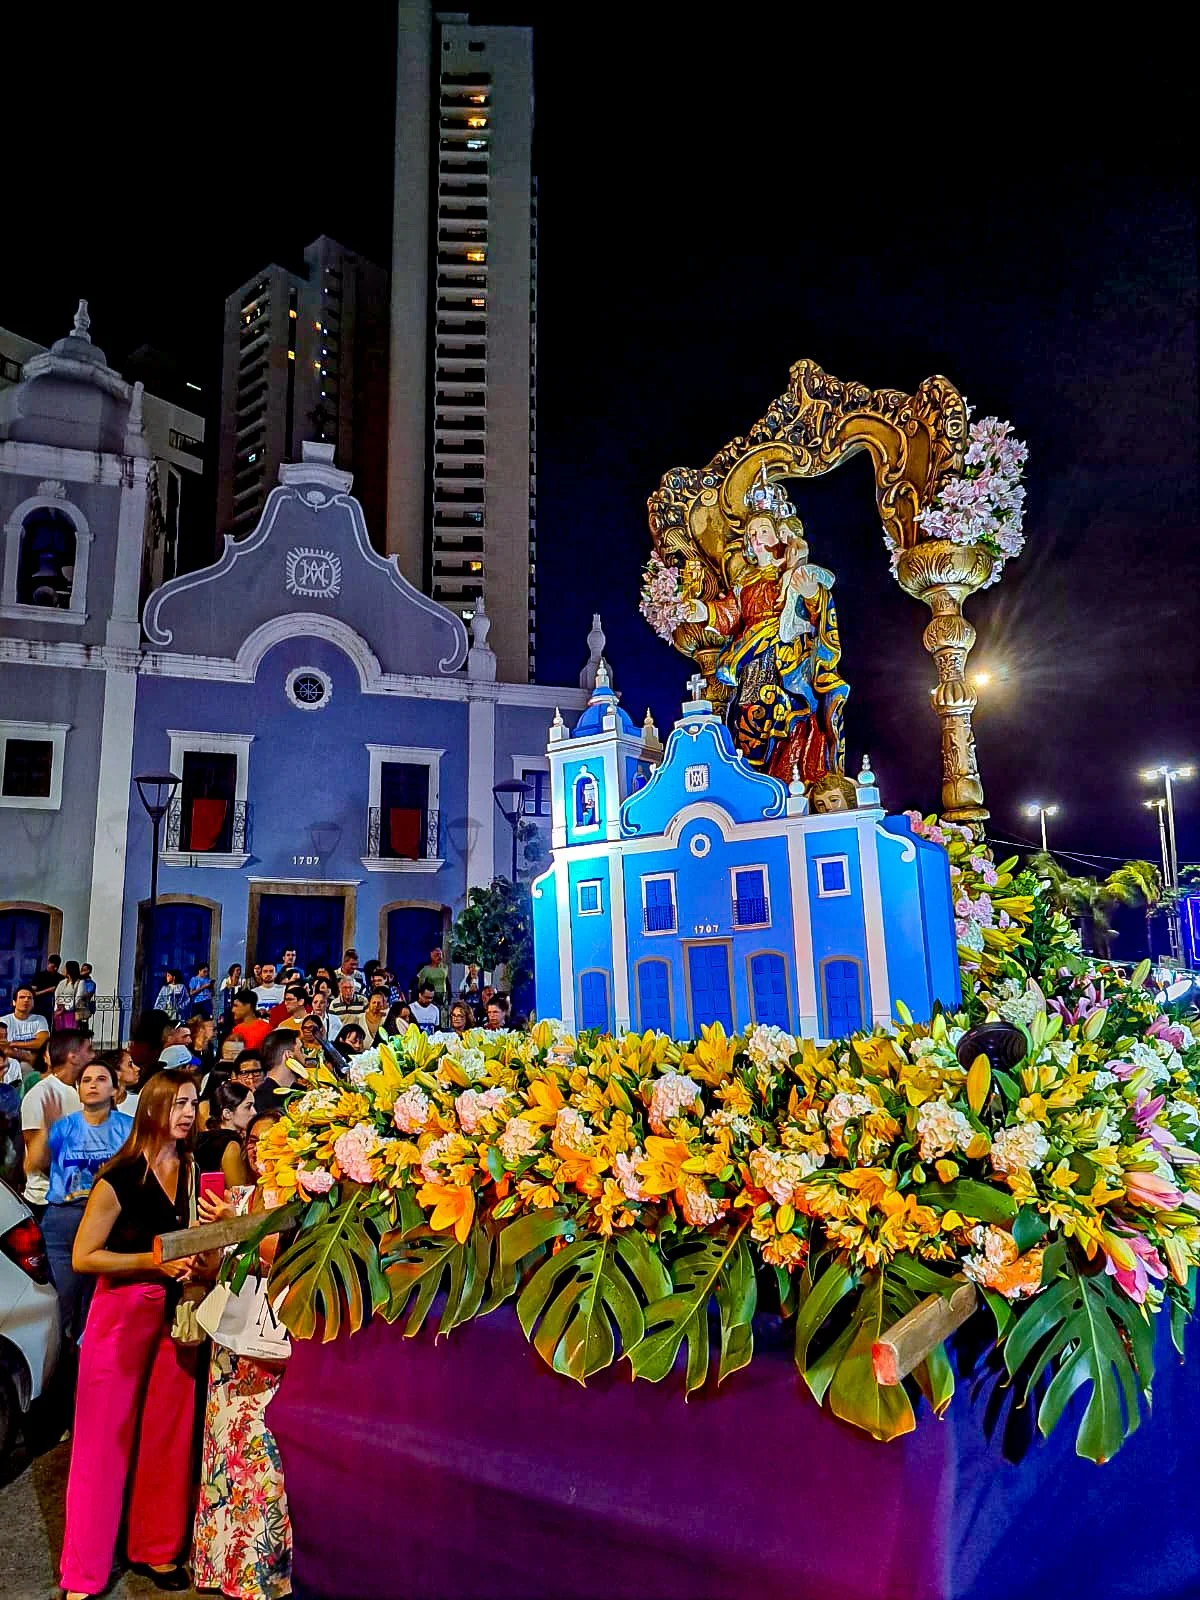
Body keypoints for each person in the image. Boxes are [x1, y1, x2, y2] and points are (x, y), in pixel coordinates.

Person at [59, 1070, 202, 1599]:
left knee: (167, 1433)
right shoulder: (118, 1176)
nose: (188, 1113)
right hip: (120, 1315)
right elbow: (82, 1256)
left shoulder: (189, 1166)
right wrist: (154, 1261)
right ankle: (84, 1574)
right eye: (179, 1104)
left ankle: (156, 1549)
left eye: (193, 1103)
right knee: (103, 1442)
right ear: (153, 1109)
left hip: (173, 1314)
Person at [192, 1108, 292, 1599]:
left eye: (271, 1141)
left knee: (262, 1464)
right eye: (253, 1139)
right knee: (223, 1463)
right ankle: (219, 1568)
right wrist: (203, 1255)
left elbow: (291, 1261)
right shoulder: (235, 1198)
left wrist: (241, 1228)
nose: (258, 1148)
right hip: (229, 1346)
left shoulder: (298, 1205)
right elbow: (212, 1267)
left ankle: (260, 1575)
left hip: (269, 1351)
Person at [27, 1055, 133, 1347]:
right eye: (86, 1080)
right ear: (77, 1089)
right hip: (63, 1219)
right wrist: (46, 1130)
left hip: (111, 1221)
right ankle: (57, 1371)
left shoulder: (128, 1128)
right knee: (61, 1300)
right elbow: (32, 1165)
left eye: (101, 1079)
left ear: (115, 1089)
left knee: (98, 1303)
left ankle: (88, 1363)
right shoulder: (64, 1126)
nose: (92, 1085)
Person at [22, 1029, 94, 1217]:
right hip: (48, 1202)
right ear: (73, 1057)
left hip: (81, 1197)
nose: (94, 1056)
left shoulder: (83, 1090)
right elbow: (39, 1159)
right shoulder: (40, 1095)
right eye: (89, 1050)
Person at [195, 1080, 256, 1188]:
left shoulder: (203, 1138)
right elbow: (239, 1195)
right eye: (248, 1107)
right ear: (227, 1113)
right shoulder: (231, 1144)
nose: (254, 1112)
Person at [1, 982, 51, 1077]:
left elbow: (41, 1042)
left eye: (30, 998)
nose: (26, 1000)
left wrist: (13, 1043)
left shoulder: (40, 1019)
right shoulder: (3, 1021)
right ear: (14, 1002)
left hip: (34, 1063)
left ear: (33, 1003)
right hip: (12, 1061)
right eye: (22, 997)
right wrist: (29, 1057)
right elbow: (4, 1048)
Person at [253, 1030, 302, 1116]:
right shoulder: (261, 1099)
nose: (306, 1056)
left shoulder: (301, 1092)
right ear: (288, 1055)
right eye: (301, 1050)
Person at [229, 988, 271, 1053]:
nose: (233, 1010)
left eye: (236, 1006)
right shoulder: (236, 1029)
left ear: (248, 1006)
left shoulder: (266, 1029)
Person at [106, 1046, 141, 1116]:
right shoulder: (97, 1102)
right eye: (130, 1065)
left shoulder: (139, 1102)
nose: (138, 1068)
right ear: (116, 1072)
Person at [54, 961, 88, 1030]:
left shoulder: (80, 982)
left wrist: (67, 1008)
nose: (63, 970)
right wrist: (56, 1008)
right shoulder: (62, 982)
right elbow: (57, 995)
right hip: (59, 1011)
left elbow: (78, 998)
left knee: (70, 1030)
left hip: (72, 1011)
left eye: (65, 968)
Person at [30, 953, 62, 1024]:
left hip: (54, 1007)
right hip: (39, 1007)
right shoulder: (39, 976)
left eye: (57, 967)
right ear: (48, 963)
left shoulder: (60, 978)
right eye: (53, 966)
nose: (55, 969)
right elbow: (32, 993)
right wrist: (48, 990)